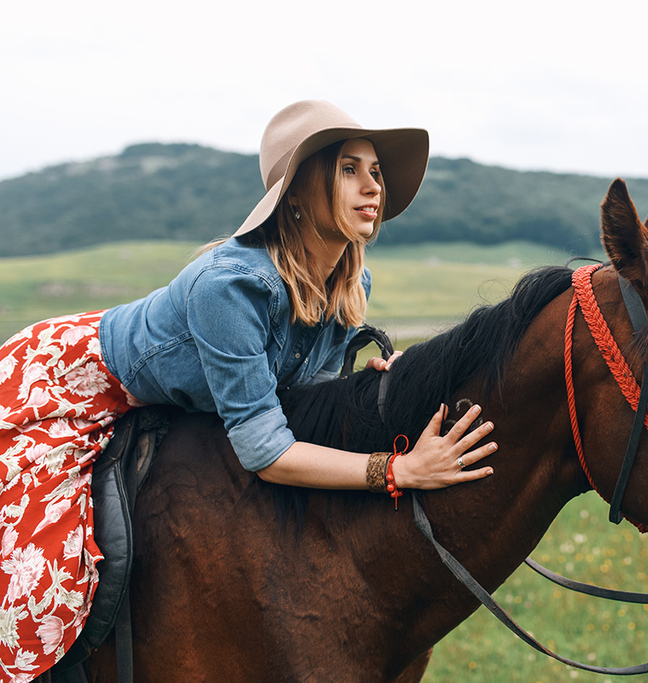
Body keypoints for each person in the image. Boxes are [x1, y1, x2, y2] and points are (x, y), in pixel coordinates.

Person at [0, 100, 497, 681]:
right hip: (64, 384)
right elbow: (265, 450)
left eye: (377, 171)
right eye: (348, 169)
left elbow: (300, 399)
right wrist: (397, 470)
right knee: (40, 578)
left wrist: (368, 382)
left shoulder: (350, 280)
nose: (372, 186)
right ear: (298, 191)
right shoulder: (231, 286)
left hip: (155, 391)